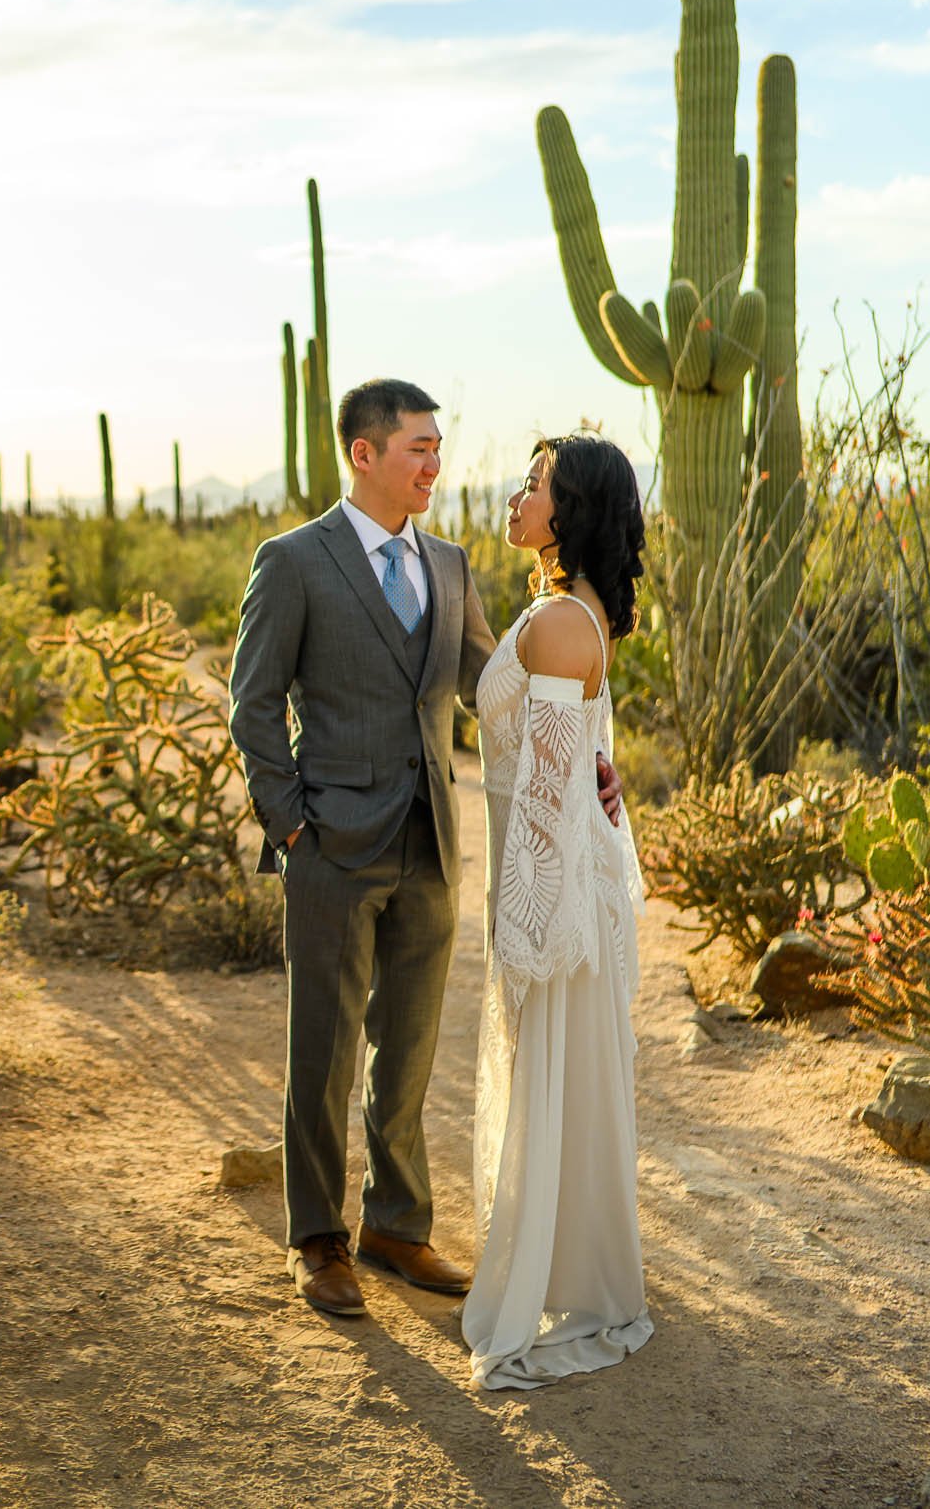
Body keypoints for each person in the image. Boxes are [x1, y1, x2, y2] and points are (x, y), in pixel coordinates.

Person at [228, 381, 622, 1319]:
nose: (435, 464)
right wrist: (289, 823)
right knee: (320, 1048)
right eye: (417, 448)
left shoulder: (449, 564)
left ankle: (397, 1223)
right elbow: (252, 703)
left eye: (439, 446)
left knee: (406, 1050)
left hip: (433, 843)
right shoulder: (293, 561)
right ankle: (318, 1237)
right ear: (363, 455)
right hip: (330, 844)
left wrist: (590, 750)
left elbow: (502, 679)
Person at [456, 433, 653, 1388]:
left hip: (555, 896)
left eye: (533, 485)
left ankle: (570, 1277)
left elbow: (542, 800)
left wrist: (526, 927)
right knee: (560, 1086)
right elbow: (579, 757)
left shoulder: (564, 623)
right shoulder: (555, 614)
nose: (515, 494)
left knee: (556, 1078)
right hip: (548, 877)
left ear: (566, 512)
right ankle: (567, 1258)